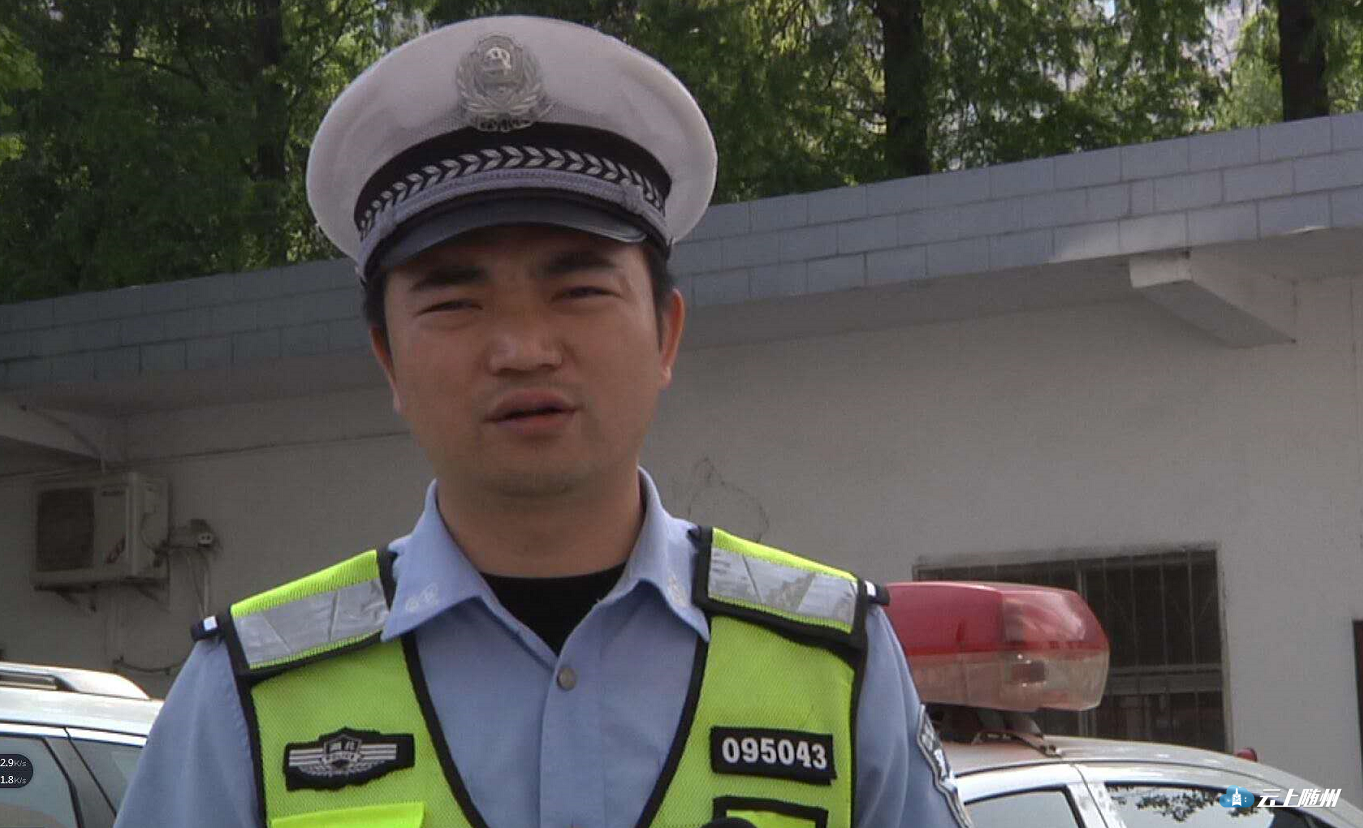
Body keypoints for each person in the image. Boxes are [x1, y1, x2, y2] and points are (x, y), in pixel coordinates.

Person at [115, 15, 973, 828]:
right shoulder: (249, 696)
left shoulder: (836, 665)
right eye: (455, 300)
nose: (523, 349)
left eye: (579, 288)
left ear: (666, 334)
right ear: (388, 360)